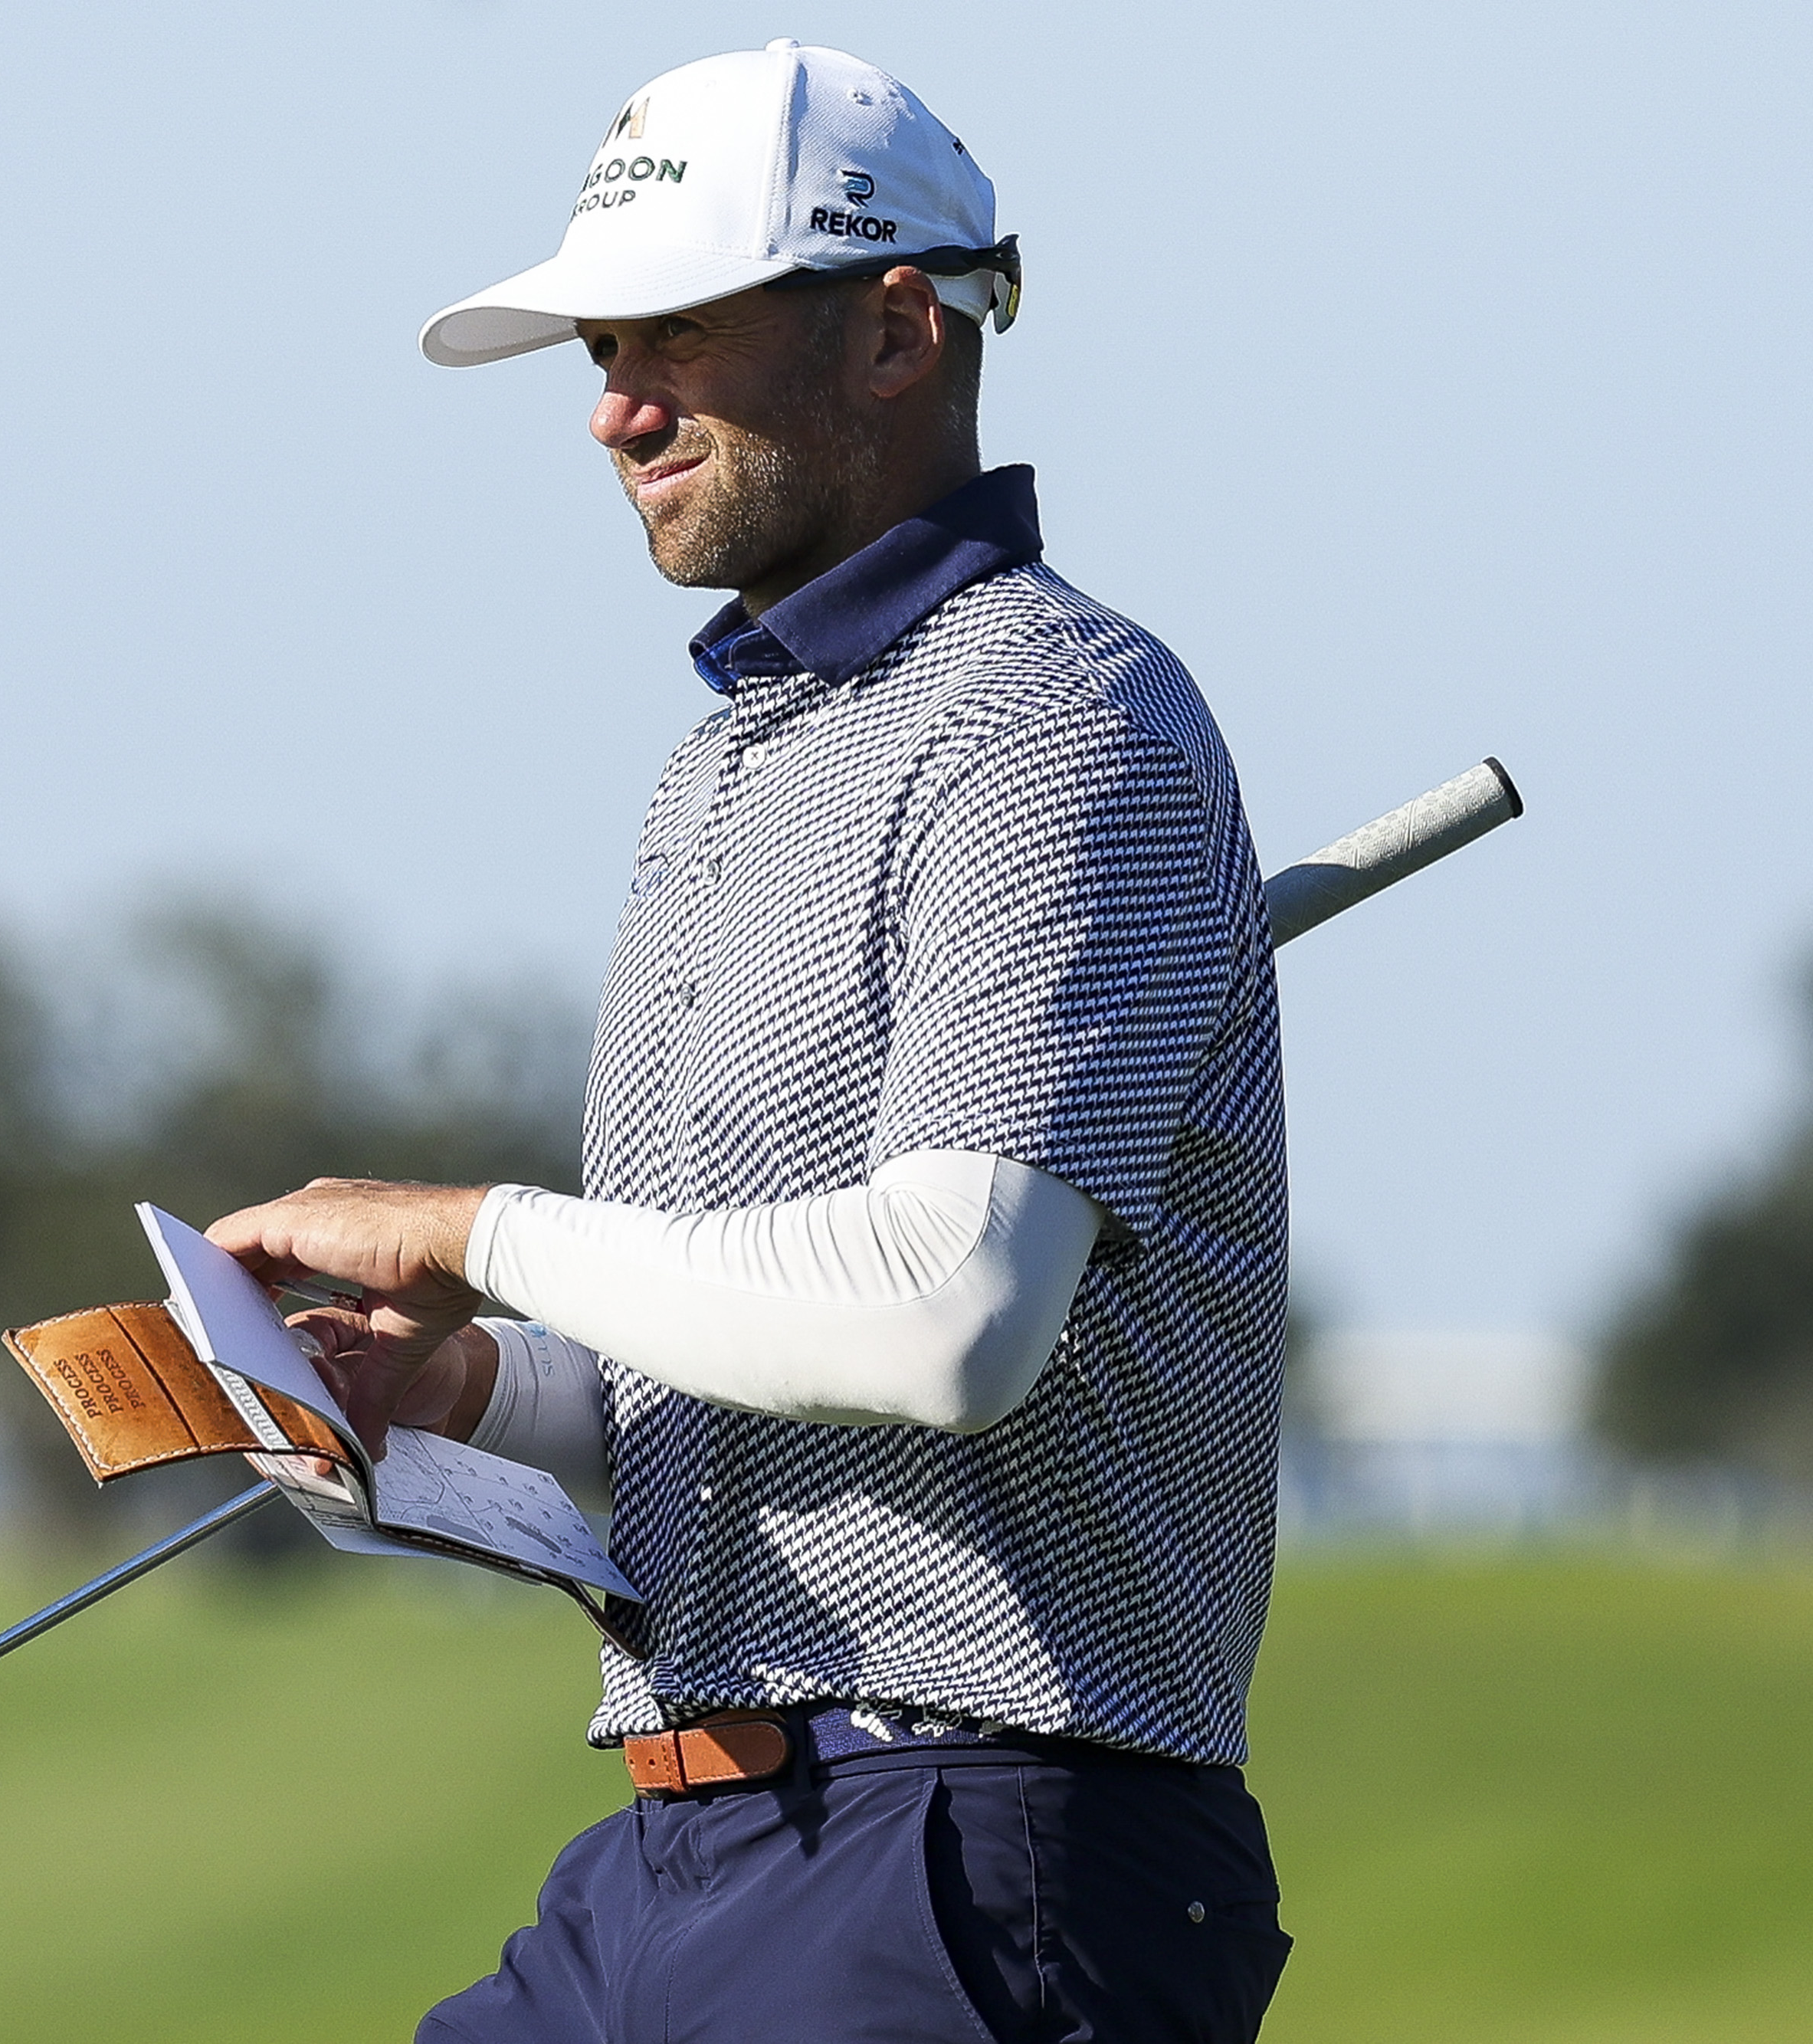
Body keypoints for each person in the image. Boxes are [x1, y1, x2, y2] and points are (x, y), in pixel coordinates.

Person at [204, 41, 1292, 2044]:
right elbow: (736, 1374)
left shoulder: (1066, 723)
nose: (614, 411)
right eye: (600, 352)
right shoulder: (721, 772)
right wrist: (464, 1387)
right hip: (673, 1851)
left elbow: (952, 1313)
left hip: (973, 1851)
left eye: (673, 343)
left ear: (896, 334)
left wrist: (474, 1226)